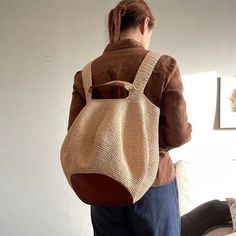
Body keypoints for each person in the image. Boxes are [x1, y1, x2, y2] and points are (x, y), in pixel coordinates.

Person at [67, 0, 192, 235]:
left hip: (105, 186)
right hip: (153, 184)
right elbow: (177, 135)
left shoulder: (86, 74)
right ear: (146, 24)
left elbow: (76, 132)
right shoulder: (164, 66)